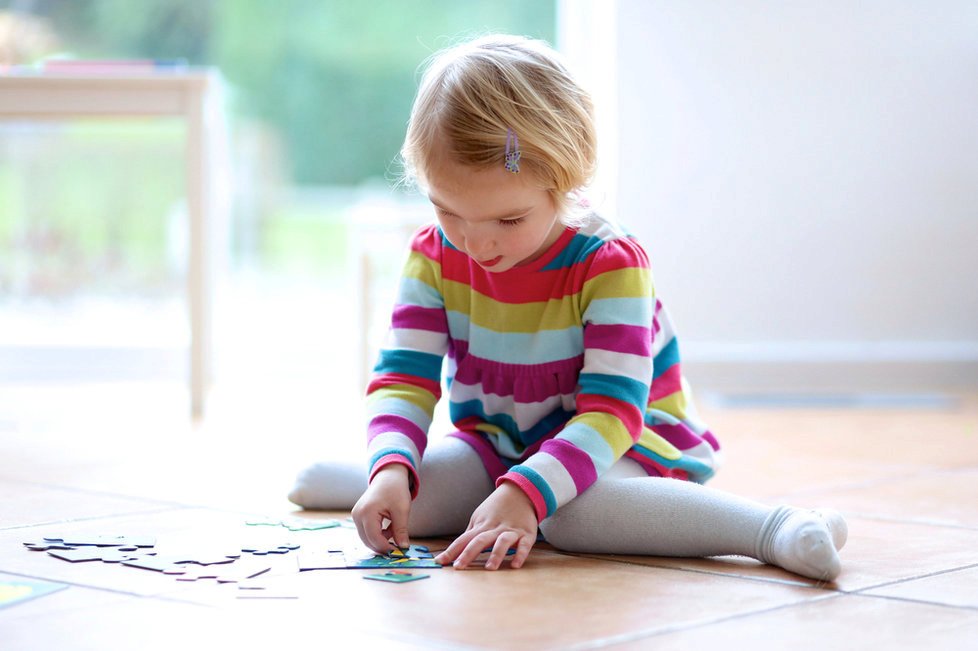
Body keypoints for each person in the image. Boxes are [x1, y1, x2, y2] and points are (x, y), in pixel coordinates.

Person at [289, 34, 847, 581]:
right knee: (419, 501)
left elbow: (612, 413)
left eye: (508, 220)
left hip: (627, 440)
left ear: (568, 184)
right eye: (448, 211)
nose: (476, 244)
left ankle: (772, 528)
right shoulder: (434, 256)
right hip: (503, 444)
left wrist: (527, 494)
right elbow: (403, 379)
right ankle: (380, 474)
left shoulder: (609, 262)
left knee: (570, 517)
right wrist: (392, 467)